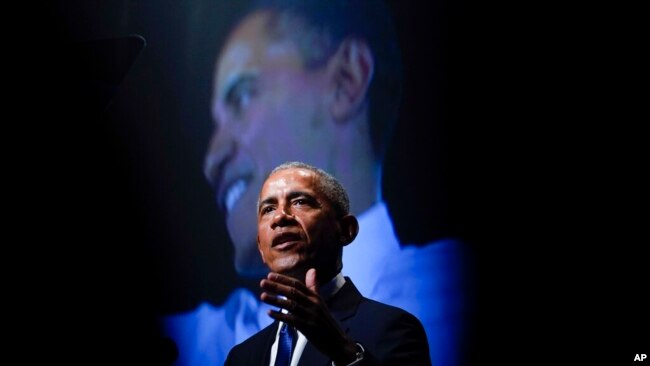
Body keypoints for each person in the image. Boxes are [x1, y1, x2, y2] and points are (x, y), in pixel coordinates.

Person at [163, 1, 471, 365]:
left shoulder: (446, 295)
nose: (212, 160)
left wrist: (342, 352)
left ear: (346, 79)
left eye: (243, 95)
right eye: (267, 208)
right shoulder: (228, 350)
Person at [224, 161, 431, 365]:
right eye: (268, 209)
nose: (280, 216)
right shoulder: (241, 358)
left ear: (345, 230)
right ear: (261, 248)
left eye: (300, 201)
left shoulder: (394, 329)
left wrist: (343, 351)